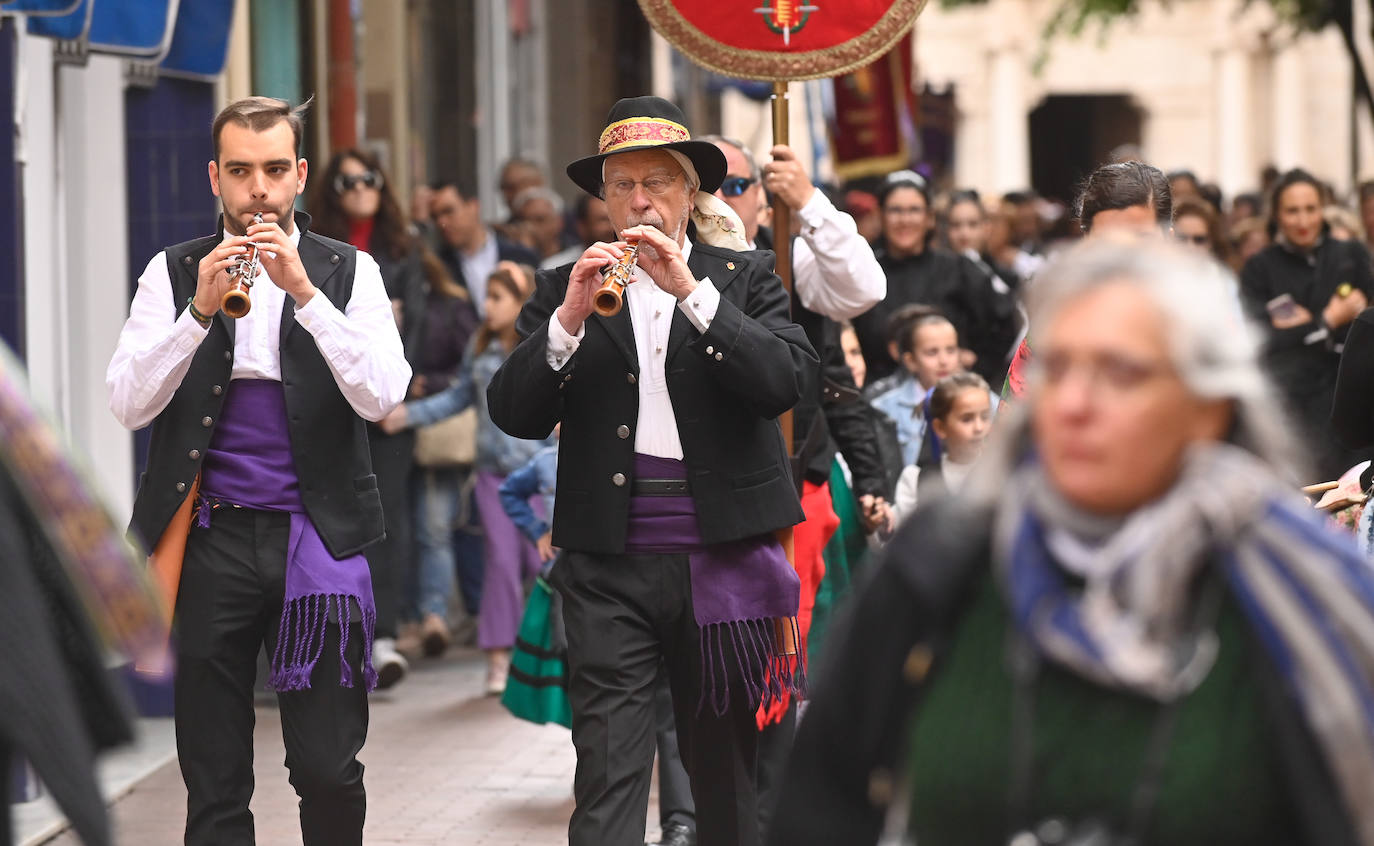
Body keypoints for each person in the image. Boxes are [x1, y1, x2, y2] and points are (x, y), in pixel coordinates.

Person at [768, 239, 1374, 846]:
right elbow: (822, 800)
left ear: (1209, 406)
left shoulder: (1295, 587)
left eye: (1121, 372)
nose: (1075, 404)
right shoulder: (945, 558)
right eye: (1058, 368)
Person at [486, 95, 816, 846]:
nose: (641, 200)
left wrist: (692, 295)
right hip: (608, 563)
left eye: (659, 182)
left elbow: (782, 382)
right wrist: (567, 321)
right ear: (602, 197)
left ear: (690, 192)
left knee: (726, 773)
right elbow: (513, 412)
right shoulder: (564, 285)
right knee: (607, 770)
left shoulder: (743, 274)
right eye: (623, 185)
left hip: (723, 557)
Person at [106, 96, 411, 845]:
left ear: (300, 174)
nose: (259, 192)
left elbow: (383, 393)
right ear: (216, 177)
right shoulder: (171, 270)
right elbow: (127, 404)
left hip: (321, 538)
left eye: (275, 171)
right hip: (213, 540)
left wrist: (305, 292)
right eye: (240, 173)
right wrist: (197, 314)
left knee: (329, 767)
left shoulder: (351, 270)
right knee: (212, 777)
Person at [703, 135, 889, 841]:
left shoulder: (787, 254)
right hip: (691, 501)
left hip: (784, 498)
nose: (721, 202)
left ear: (763, 191)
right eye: (707, 186)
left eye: (739, 184)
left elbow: (864, 289)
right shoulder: (662, 263)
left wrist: (807, 201)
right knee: (699, 678)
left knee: (780, 669)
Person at [312, 147, 457, 689]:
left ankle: (384, 637)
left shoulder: (404, 246)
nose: (358, 188)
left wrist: (401, 392)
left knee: (387, 522)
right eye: (346, 181)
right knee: (328, 520)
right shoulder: (315, 249)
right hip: (328, 409)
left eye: (368, 178)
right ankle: (337, 639)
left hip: (387, 411)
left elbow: (414, 324)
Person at [381, 267, 554, 693]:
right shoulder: (480, 349)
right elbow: (458, 398)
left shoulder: (544, 345)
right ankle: (498, 660)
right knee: (499, 564)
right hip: (493, 479)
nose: (488, 306)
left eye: (497, 297)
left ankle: (555, 659)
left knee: (545, 564)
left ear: (520, 302)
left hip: (540, 480)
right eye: (488, 297)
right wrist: (406, 415)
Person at [1239, 168, 1374, 482]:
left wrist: (1302, 328)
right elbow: (1262, 338)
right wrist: (1327, 320)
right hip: (1293, 406)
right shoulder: (1261, 268)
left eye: (1311, 209)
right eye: (1292, 211)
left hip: (1348, 404)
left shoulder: (1350, 254)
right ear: (1276, 214)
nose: (1303, 221)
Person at [1003, 160, 1174, 402]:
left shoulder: (1204, 322)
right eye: (1107, 241)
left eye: (1141, 238)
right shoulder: (1055, 324)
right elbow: (1017, 424)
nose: (1122, 253)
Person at [850, 171, 1019, 388]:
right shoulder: (862, 269)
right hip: (876, 397)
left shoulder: (958, 268)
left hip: (950, 398)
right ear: (880, 216)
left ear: (930, 218)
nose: (905, 220)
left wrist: (977, 368)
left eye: (914, 210)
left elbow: (1006, 322)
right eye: (895, 210)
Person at [889, 371, 993, 526]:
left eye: (985, 417)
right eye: (967, 419)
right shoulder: (917, 481)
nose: (979, 427)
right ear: (940, 427)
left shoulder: (1005, 474)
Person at [430, 177, 539, 316]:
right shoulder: (439, 267)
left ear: (473, 206)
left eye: (448, 211)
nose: (441, 222)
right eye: (435, 217)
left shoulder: (521, 256)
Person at [542, 193, 618, 270]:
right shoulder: (555, 269)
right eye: (604, 220)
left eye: (616, 219)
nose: (613, 227)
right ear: (582, 226)